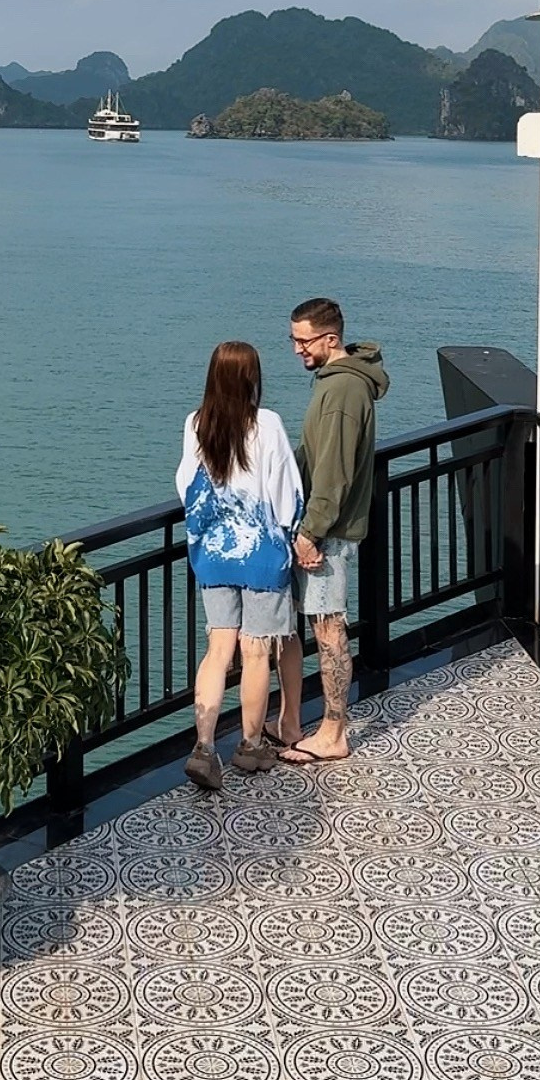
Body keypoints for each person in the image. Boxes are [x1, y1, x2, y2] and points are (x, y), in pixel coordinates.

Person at [176, 340, 304, 791]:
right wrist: (294, 534)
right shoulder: (266, 424)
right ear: (252, 378)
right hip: (262, 553)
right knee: (255, 651)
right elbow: (286, 491)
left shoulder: (196, 423)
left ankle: (203, 746)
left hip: (213, 553)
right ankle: (250, 745)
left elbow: (186, 485)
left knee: (218, 649)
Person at [272, 297, 387, 764]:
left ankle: (334, 732)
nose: (297, 349)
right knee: (322, 624)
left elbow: (334, 471)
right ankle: (304, 723)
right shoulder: (336, 382)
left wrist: (311, 532)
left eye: (304, 341)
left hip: (330, 532)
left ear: (330, 338)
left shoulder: (341, 392)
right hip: (328, 526)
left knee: (328, 627)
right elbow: (315, 455)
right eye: (293, 340)